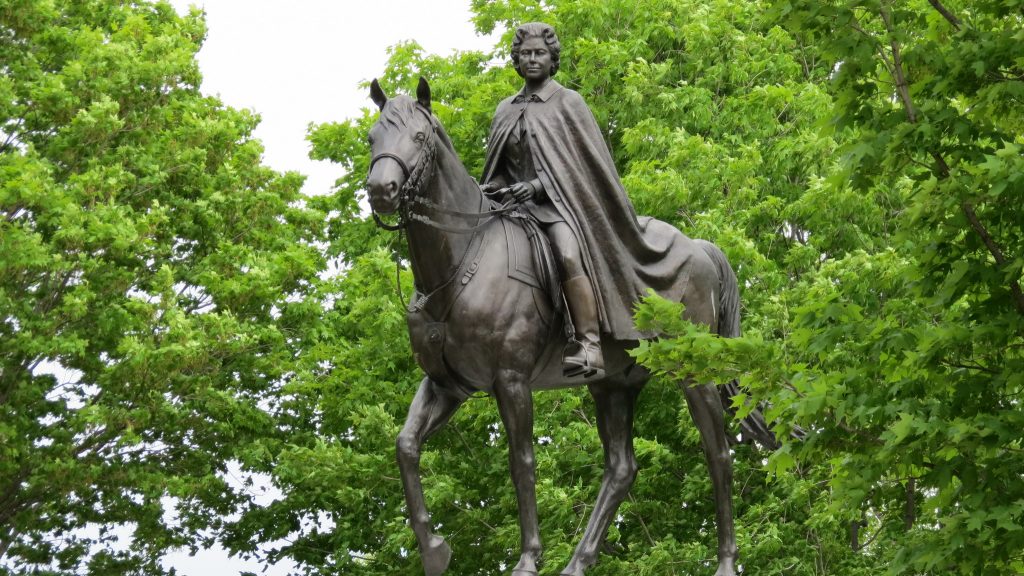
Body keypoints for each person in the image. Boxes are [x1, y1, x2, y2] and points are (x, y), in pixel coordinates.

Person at [480, 22, 692, 379]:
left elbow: (580, 169)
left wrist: (535, 187)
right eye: (526, 54)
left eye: (540, 54)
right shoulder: (505, 109)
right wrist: (496, 188)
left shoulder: (567, 103)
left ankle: (589, 344)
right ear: (516, 59)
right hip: (511, 212)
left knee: (566, 253)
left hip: (556, 207)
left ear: (552, 59)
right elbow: (498, 168)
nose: (532, 59)